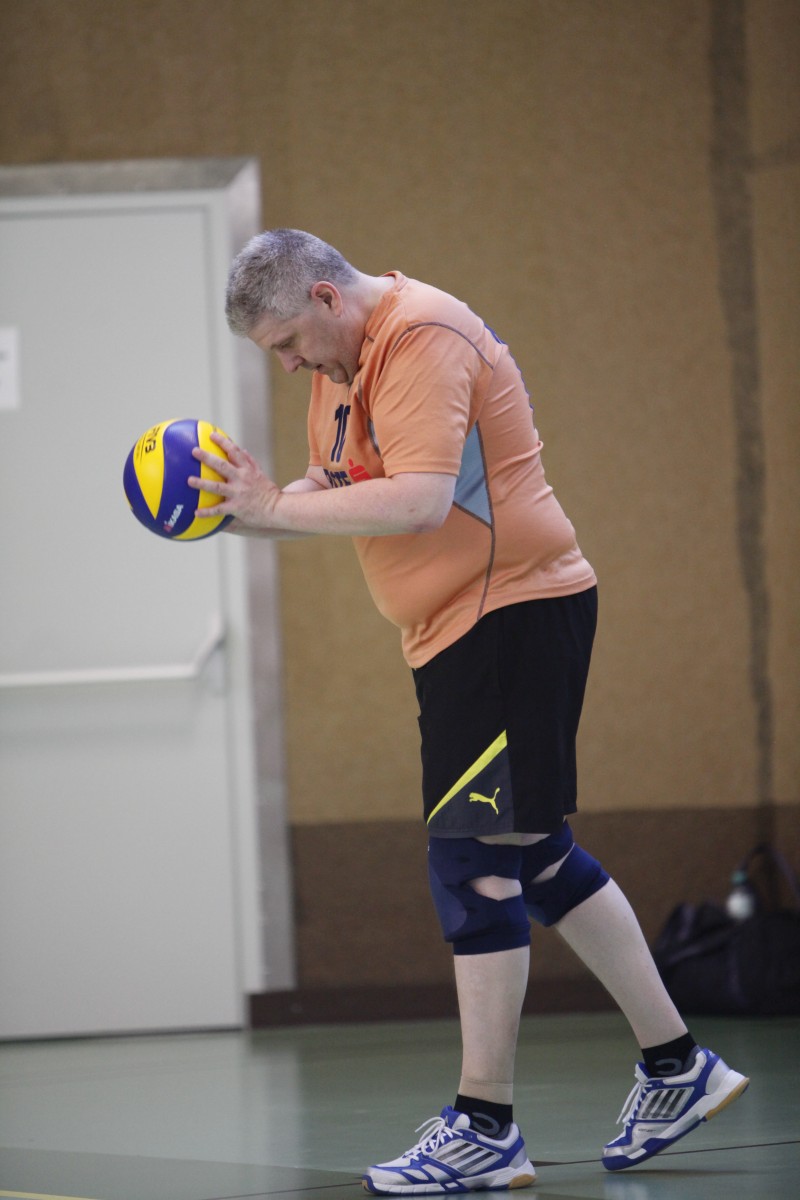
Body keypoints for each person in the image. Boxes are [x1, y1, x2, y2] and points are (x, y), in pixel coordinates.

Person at [189, 228, 749, 1193]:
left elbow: (417, 500)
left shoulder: (422, 335)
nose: (287, 367)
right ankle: (677, 1065)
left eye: (287, 344)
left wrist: (274, 509)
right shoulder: (342, 366)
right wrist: (246, 509)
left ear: (325, 298)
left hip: (508, 615)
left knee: (474, 865)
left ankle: (485, 1126)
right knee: (537, 855)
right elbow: (341, 488)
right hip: (461, 633)